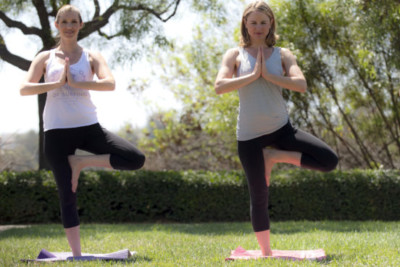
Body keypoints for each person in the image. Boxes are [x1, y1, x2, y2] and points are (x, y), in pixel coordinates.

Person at [19, 5, 145, 256]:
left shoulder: (92, 56)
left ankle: (81, 162)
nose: (69, 26)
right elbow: (24, 88)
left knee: (135, 158)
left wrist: (77, 82)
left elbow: (110, 83)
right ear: (56, 25)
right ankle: (76, 255)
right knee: (67, 194)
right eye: (64, 22)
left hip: (88, 127)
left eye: (73, 21)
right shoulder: (45, 57)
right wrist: (56, 83)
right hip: (56, 131)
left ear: (80, 25)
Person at [214, 1, 338, 256]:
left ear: (271, 23)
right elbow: (219, 86)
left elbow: (300, 84)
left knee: (328, 160)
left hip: (281, 129)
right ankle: (266, 251)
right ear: (245, 25)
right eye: (253, 22)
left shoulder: (283, 54)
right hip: (248, 136)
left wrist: (269, 76)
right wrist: (252, 75)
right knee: (258, 194)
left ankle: (273, 155)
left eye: (263, 22)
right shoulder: (234, 55)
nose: (258, 27)